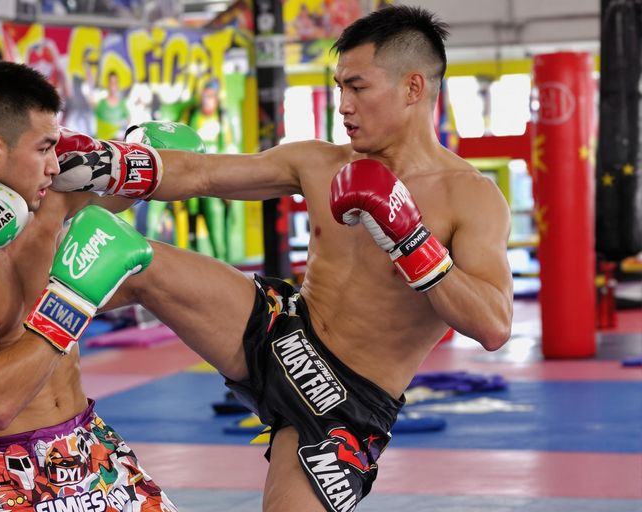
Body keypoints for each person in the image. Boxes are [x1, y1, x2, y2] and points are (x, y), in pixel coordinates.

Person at [50, 6, 514, 511]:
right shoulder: (319, 161)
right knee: (134, 259)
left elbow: (493, 326)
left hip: (345, 404)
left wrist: (412, 242)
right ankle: (8, 314)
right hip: (281, 330)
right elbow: (205, 174)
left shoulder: (471, 197)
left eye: (358, 88)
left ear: (413, 88)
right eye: (339, 87)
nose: (343, 105)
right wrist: (109, 162)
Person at [0, 61, 179, 512]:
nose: (53, 164)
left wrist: (141, 152)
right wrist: (72, 299)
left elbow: (158, 183)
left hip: (91, 444)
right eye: (43, 148)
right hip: (3, 472)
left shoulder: (43, 198)